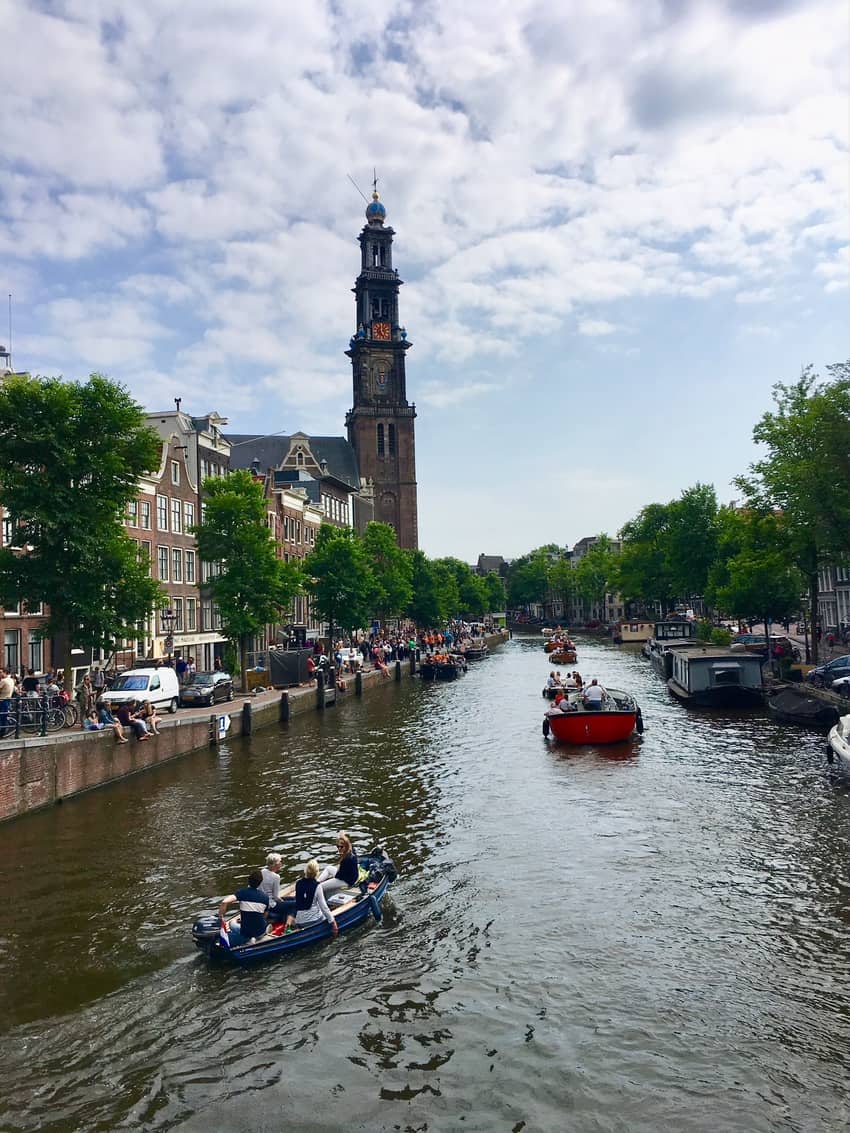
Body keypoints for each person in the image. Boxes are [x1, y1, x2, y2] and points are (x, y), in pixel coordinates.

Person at [284, 859, 338, 935]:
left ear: (306, 870)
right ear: (316, 872)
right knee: (325, 912)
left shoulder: (298, 883)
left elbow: (299, 902)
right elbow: (324, 907)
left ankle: (293, 928)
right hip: (314, 920)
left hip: (300, 921)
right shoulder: (317, 886)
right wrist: (333, 922)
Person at [219, 869, 270, 945]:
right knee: (260, 924)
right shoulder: (265, 897)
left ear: (248, 880)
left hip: (246, 933)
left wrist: (221, 917)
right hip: (260, 931)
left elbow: (224, 902)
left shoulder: (242, 892)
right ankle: (256, 936)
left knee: (232, 923)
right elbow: (264, 915)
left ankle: (249, 938)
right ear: (260, 883)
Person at [318, 832, 359, 898]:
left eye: (341, 847)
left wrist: (331, 880)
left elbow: (339, 876)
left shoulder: (346, 859)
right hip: (350, 877)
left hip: (347, 881)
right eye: (338, 846)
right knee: (328, 868)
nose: (339, 848)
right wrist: (342, 836)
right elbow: (349, 843)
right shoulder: (351, 850)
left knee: (319, 887)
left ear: (346, 846)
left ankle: (316, 887)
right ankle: (317, 882)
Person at [0, 667, 15, 732]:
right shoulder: (11, 680)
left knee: (1, 717)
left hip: (2, 700)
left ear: (5, 672)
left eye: (0, 672)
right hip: (8, 700)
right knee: (4, 716)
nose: (0, 674)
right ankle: (3, 731)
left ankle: (2, 731)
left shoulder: (3, 681)